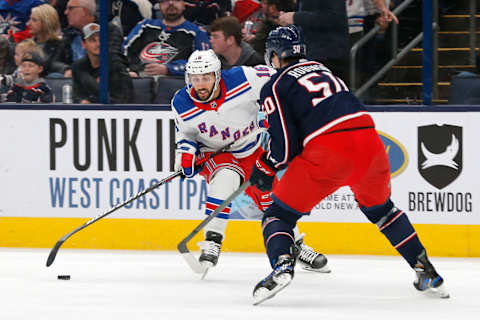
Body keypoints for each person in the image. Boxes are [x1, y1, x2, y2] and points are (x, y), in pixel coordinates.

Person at [249, 25, 449, 305]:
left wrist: (265, 166)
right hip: (371, 144)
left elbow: (284, 148)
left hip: (328, 151)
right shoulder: (324, 69)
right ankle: (425, 269)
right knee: (383, 211)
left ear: (274, 55)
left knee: (277, 216)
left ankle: (282, 265)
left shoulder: (277, 84)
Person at [172, 49, 329, 275]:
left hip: (251, 150)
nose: (201, 84)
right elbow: (185, 134)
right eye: (196, 79)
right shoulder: (181, 102)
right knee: (225, 176)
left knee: (273, 202)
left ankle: (295, 246)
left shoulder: (244, 78)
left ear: (217, 75)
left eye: (206, 78)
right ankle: (212, 240)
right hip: (216, 154)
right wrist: (185, 155)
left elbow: (279, 80)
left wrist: (272, 110)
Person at [123, 0, 211, 77]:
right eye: (165, 0)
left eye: (176, 0)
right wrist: (132, 71)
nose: (171, 3)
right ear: (159, 5)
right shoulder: (145, 25)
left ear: (184, 4)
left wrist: (169, 69)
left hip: (176, 84)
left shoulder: (197, 32)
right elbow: (124, 51)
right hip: (140, 80)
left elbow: (205, 63)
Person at [276, 0, 350, 82]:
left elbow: (333, 17)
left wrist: (295, 17)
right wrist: (287, 18)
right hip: (309, 55)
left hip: (330, 56)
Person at [72, 23, 133, 103]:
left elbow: (124, 98)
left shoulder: (116, 65)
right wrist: (82, 101)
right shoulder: (78, 66)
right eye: (92, 40)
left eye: (101, 39)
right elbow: (77, 95)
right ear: (83, 44)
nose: (98, 44)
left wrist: (93, 103)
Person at [26, 3, 70, 76]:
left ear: (46, 22)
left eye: (34, 20)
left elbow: (54, 67)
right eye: (30, 19)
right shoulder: (27, 44)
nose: (28, 24)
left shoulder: (61, 45)